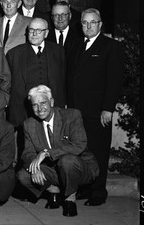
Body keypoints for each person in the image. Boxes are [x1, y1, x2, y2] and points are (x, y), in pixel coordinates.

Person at [66, 8, 123, 206]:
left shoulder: (110, 46)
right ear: (80, 24)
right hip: (76, 111)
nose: (88, 26)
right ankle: (86, 187)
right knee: (82, 150)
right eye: (85, 23)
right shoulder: (76, 45)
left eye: (93, 22)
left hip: (98, 112)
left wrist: (108, 108)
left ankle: (98, 191)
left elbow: (114, 80)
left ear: (100, 24)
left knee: (98, 152)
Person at [17, 85, 99, 217]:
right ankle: (54, 191)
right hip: (53, 170)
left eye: (43, 103)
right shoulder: (28, 124)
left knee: (67, 160)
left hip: (79, 167)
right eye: (35, 105)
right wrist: (34, 168)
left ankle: (70, 198)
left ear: (52, 102)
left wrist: (47, 153)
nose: (39, 109)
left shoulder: (72, 115)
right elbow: (27, 153)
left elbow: (79, 145)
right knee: (23, 176)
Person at [6, 18, 66, 129]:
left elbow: (63, 80)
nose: (34, 34)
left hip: (52, 110)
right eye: (31, 30)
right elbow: (7, 84)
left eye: (39, 30)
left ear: (46, 33)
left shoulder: (58, 51)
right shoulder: (14, 54)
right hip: (22, 111)